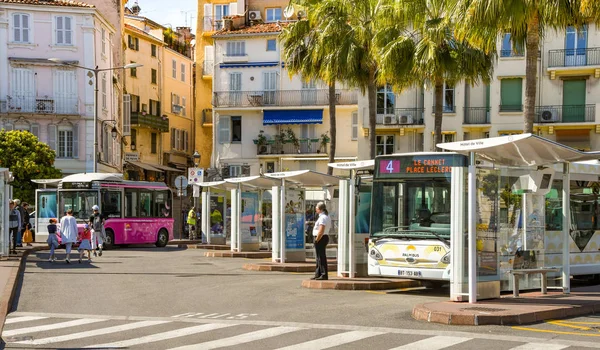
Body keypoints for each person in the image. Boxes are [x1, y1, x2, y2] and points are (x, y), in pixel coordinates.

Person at [311, 202, 332, 280]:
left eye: (316, 208)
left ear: (320, 209)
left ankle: (323, 274)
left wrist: (316, 240)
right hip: (322, 237)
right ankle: (318, 273)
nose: (315, 209)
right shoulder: (325, 216)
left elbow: (321, 230)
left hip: (321, 238)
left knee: (321, 257)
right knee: (319, 257)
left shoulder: (323, 217)